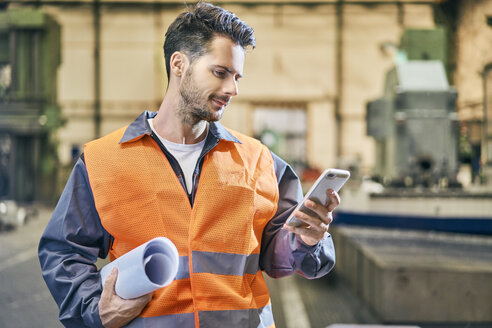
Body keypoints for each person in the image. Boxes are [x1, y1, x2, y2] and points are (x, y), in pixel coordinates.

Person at [38, 3, 339, 327]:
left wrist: (306, 240)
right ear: (179, 64)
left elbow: (276, 255)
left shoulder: (258, 161)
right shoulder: (104, 161)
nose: (232, 89)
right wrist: (94, 310)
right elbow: (62, 251)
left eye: (237, 76)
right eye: (220, 72)